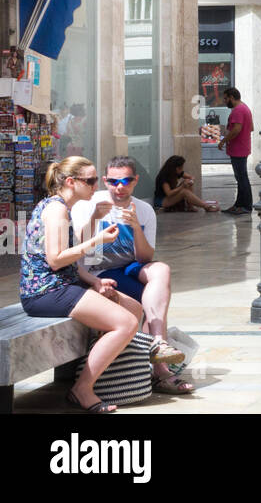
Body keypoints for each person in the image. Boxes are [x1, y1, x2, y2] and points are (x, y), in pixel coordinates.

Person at [20, 157, 142, 413]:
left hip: (63, 284)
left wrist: (94, 280)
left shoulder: (62, 206)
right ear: (71, 182)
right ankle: (83, 388)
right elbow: (55, 260)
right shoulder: (56, 209)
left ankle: (112, 377)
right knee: (126, 323)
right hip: (46, 291)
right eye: (90, 180)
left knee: (133, 308)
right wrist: (96, 241)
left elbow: (70, 257)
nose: (95, 185)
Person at [71, 156, 192, 395]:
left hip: (127, 268)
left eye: (126, 180)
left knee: (161, 271)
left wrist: (136, 227)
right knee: (149, 301)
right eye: (114, 181)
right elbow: (76, 250)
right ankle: (161, 372)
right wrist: (96, 218)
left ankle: (158, 343)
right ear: (105, 181)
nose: (120, 186)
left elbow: (145, 258)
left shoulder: (143, 209)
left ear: (135, 181)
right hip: (96, 272)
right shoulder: (88, 204)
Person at [218, 87, 254, 215]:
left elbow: (237, 129)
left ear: (232, 98)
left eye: (226, 98)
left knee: (242, 177)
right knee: (240, 177)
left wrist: (224, 140)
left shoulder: (238, 110)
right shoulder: (245, 108)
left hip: (238, 149)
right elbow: (251, 127)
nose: (224, 101)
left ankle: (247, 206)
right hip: (242, 147)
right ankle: (239, 204)